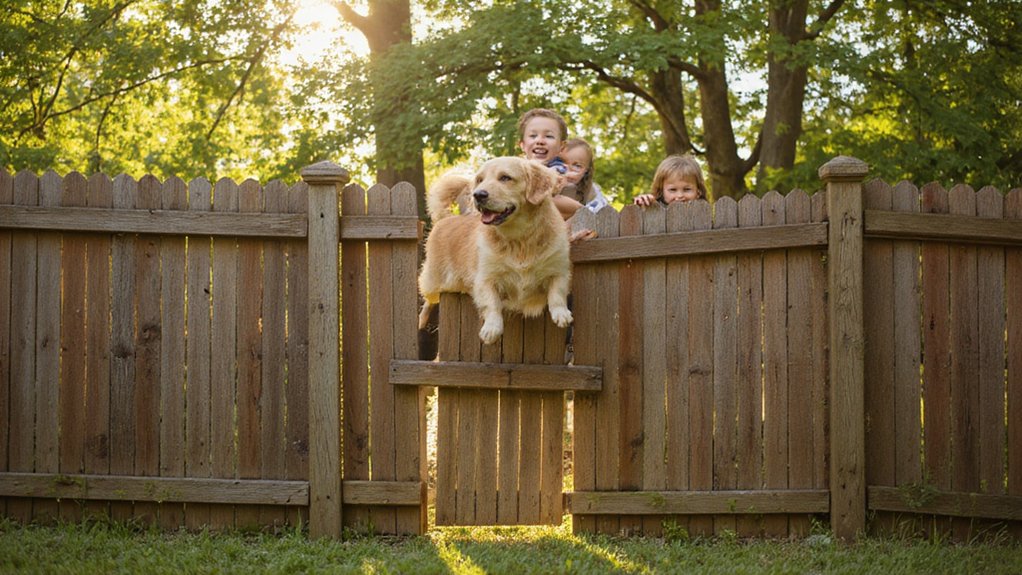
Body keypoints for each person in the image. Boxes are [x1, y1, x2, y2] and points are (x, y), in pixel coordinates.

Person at [517, 108, 584, 219]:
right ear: (522, 145)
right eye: (533, 136)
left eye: (549, 136)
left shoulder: (558, 168)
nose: (540, 141)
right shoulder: (517, 170)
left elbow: (556, 182)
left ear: (561, 147)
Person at [633, 154, 708, 207]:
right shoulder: (654, 211)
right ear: (661, 191)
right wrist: (644, 204)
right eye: (673, 189)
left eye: (687, 189)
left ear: (698, 192)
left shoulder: (705, 214)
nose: (680, 196)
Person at [560, 138, 610, 213]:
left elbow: (598, 213)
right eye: (562, 163)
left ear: (586, 170)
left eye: (577, 166)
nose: (568, 171)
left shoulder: (592, 194)